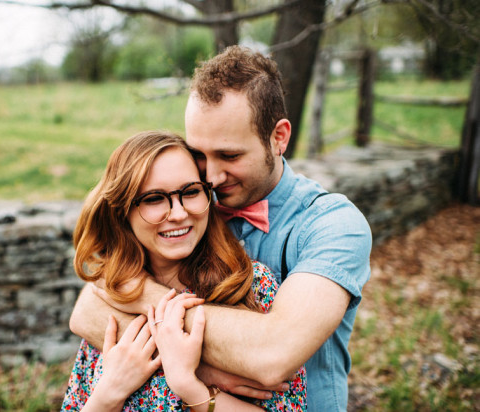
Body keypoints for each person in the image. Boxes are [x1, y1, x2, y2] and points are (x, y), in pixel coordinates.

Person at [70, 46, 372, 412]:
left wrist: (157, 311)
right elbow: (88, 309)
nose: (210, 177)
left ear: (279, 137)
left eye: (229, 156)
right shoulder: (189, 207)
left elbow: (272, 356)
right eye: (200, 154)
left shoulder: (333, 224)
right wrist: (203, 372)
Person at [61, 131, 307, 411]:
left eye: (190, 192)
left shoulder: (251, 287)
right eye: (154, 198)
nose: (178, 213)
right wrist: (108, 394)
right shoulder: (112, 298)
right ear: (122, 211)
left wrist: (190, 387)